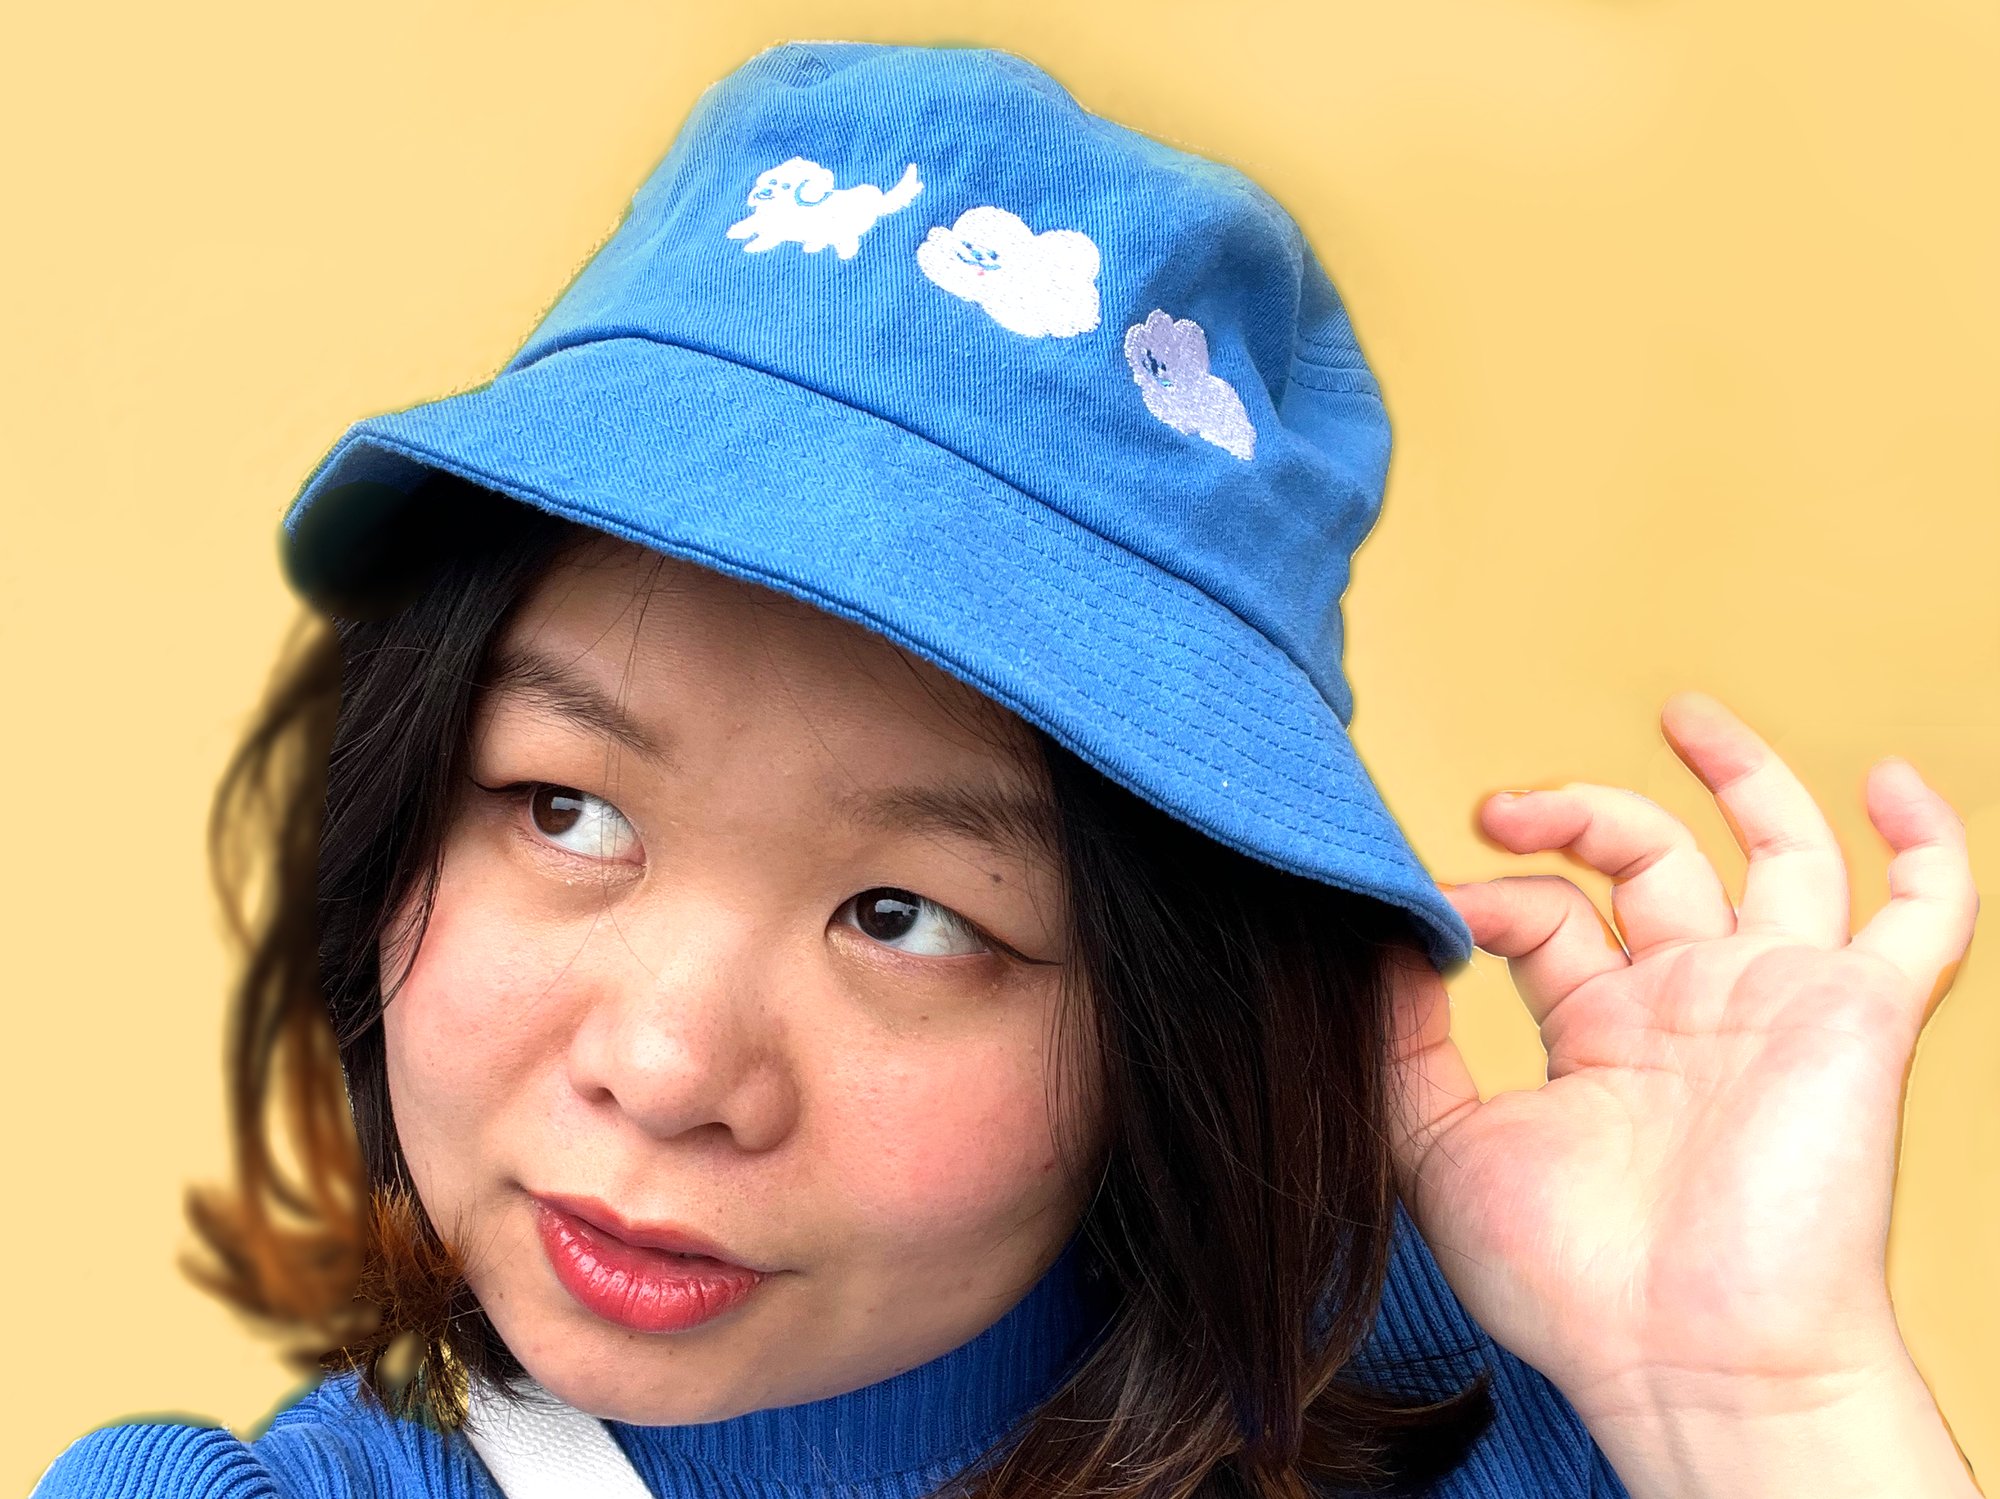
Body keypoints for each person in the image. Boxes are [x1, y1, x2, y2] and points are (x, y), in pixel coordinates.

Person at [32, 40, 1981, 1499]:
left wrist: (1763, 1400)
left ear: (1164, 1015)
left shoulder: (1524, 1429)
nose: (670, 1065)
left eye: (904, 915)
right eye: (568, 811)